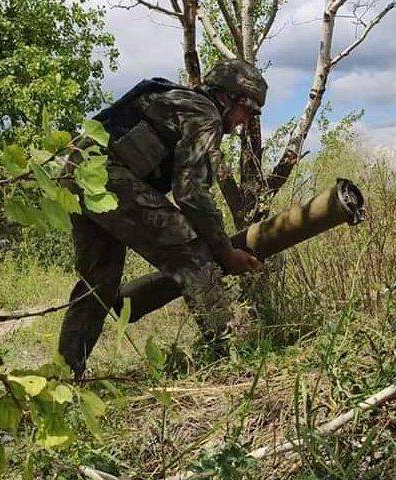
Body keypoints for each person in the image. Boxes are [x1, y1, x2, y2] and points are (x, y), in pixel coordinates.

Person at [58, 59, 268, 378]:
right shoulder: (206, 114)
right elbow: (191, 194)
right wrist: (225, 251)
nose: (242, 123)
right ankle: (230, 360)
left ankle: (64, 377)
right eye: (246, 112)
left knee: (98, 283)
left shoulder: (178, 98)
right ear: (229, 99)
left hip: (77, 176)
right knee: (195, 254)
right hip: (109, 178)